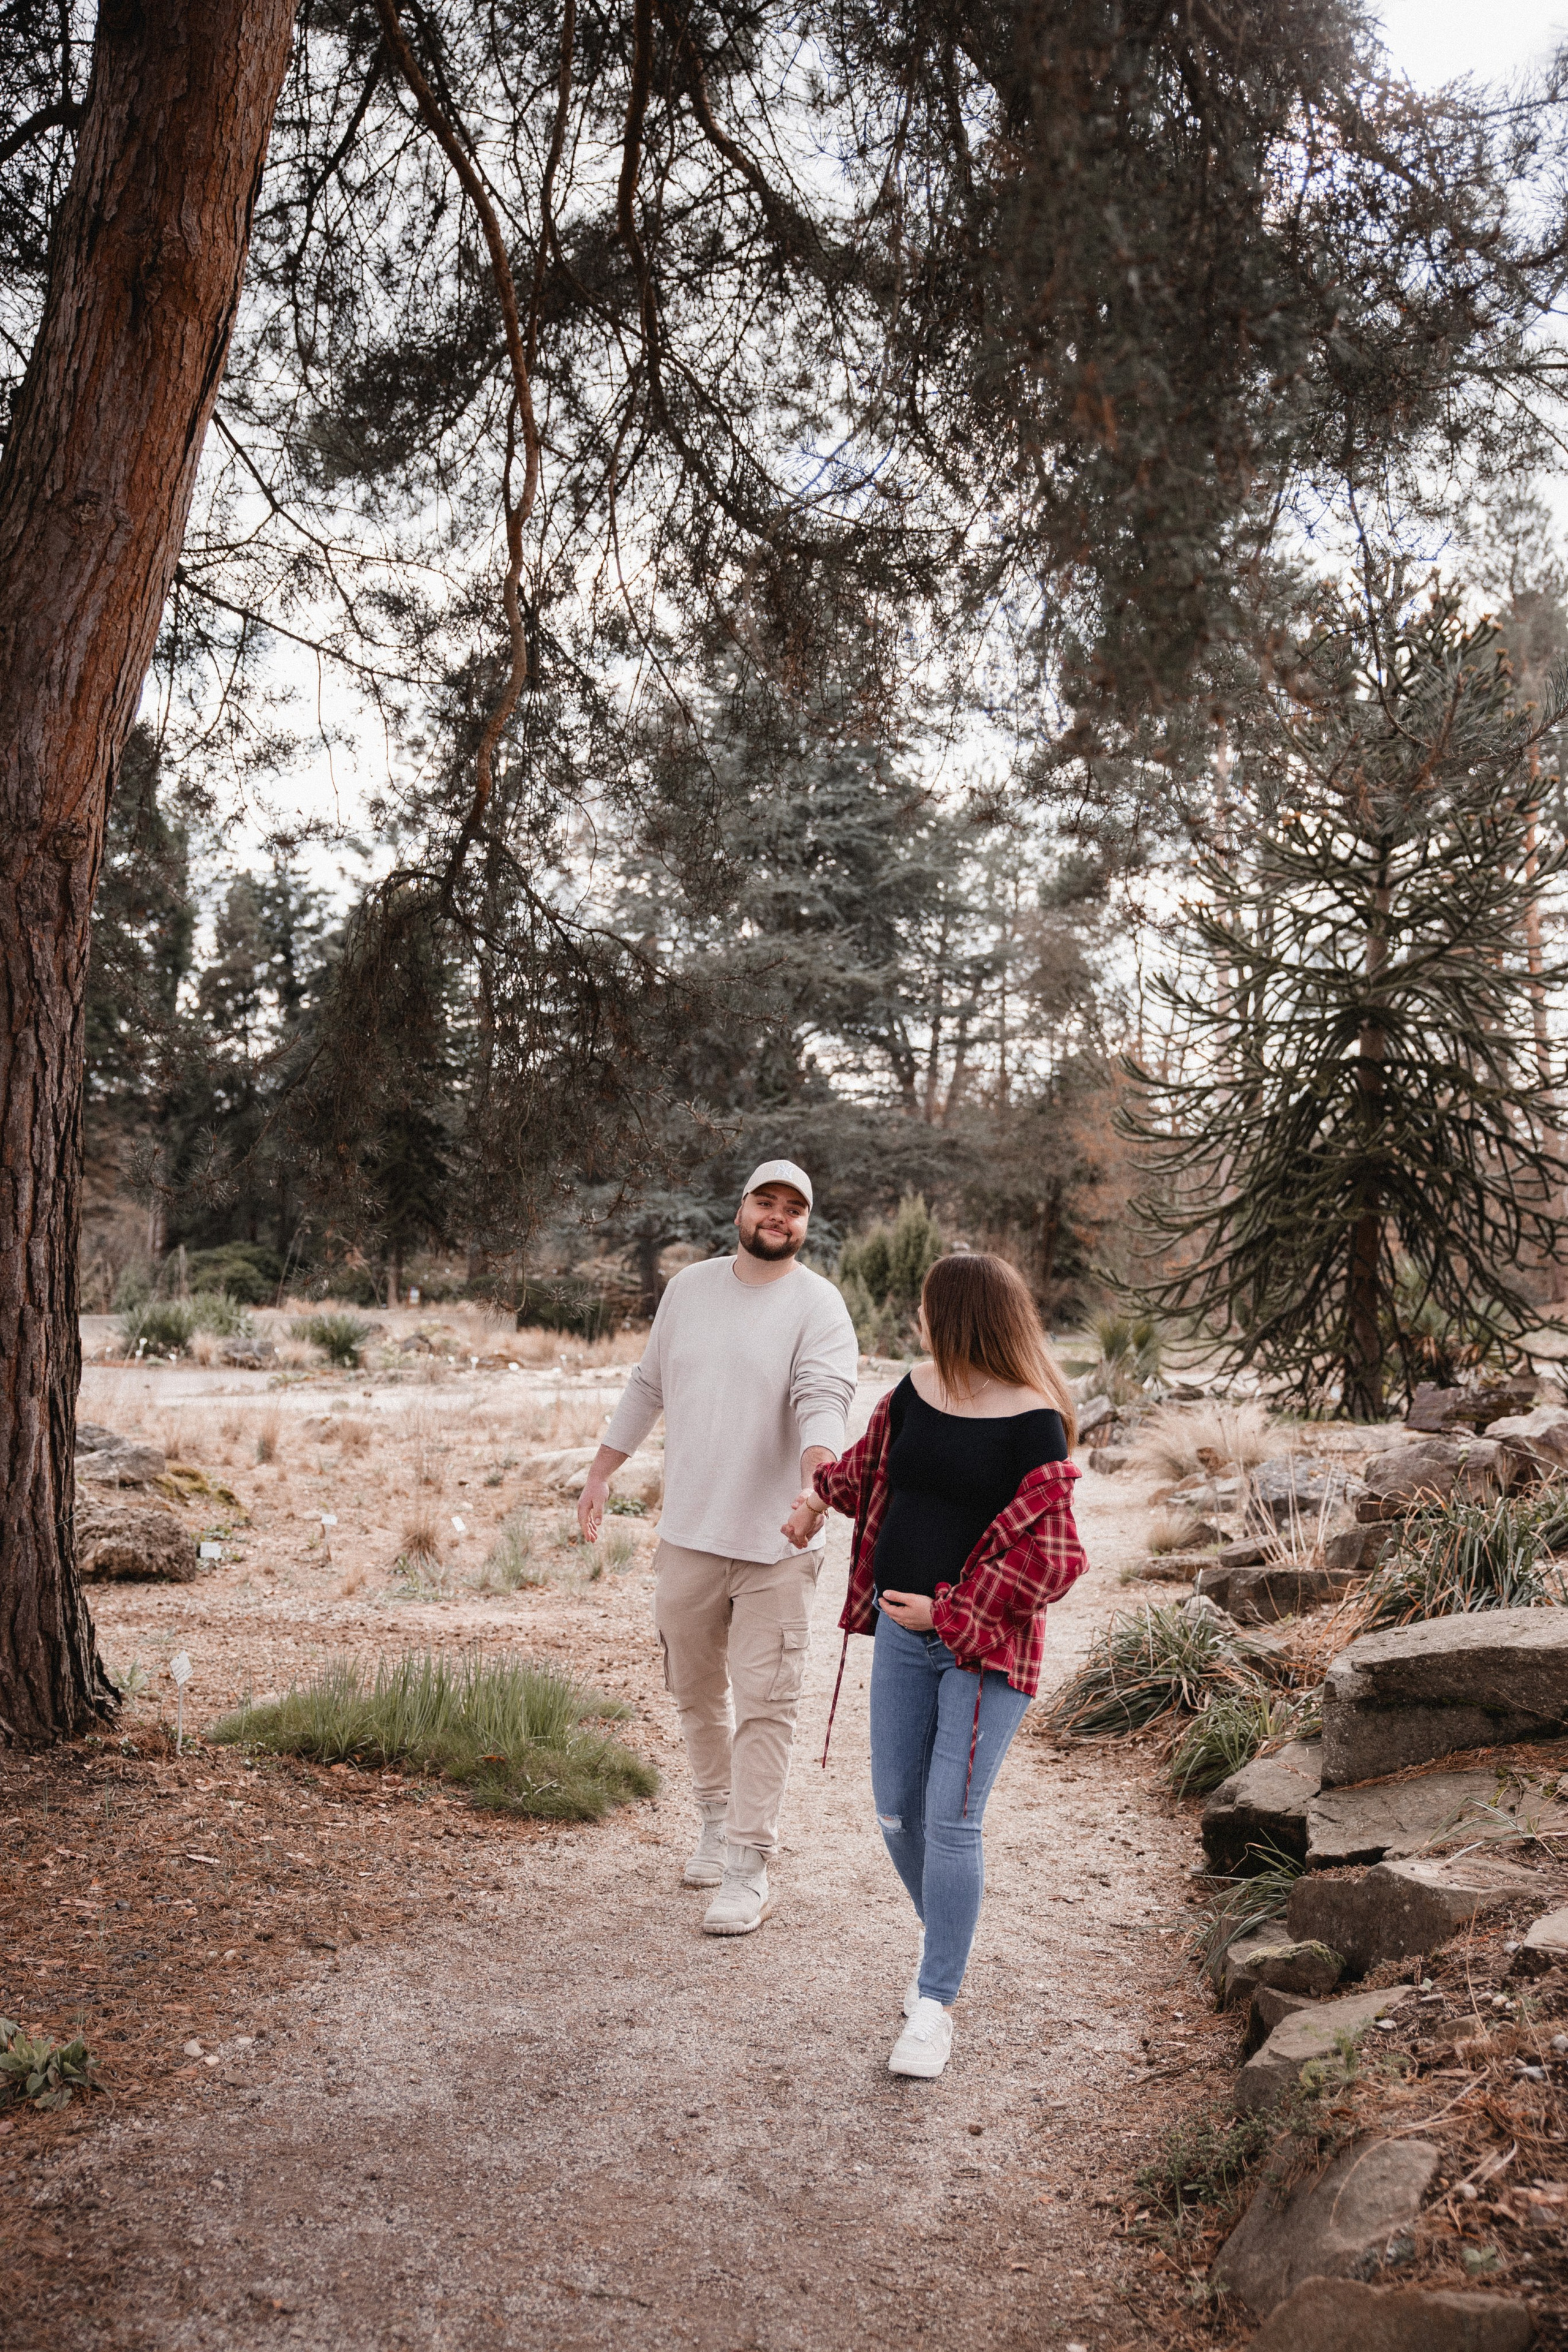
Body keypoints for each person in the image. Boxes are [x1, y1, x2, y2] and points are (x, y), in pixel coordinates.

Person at [783, 1252, 1087, 2078]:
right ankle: (944, 1947)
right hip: (901, 1644)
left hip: (985, 1652)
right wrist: (814, 1501)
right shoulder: (915, 1391)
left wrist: (952, 1614)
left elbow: (1055, 1560)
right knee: (894, 1811)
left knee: (952, 1823)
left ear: (956, 1314)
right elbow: (868, 1465)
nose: (919, 1320)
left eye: (928, 1307)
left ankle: (935, 2005)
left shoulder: (1036, 1421)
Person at [578, 1160, 858, 1936]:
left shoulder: (819, 1306)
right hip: (689, 1534)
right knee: (695, 1692)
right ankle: (713, 1819)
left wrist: (816, 1488)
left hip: (779, 1541)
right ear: (740, 1210)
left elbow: (822, 1401)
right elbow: (647, 1385)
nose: (779, 1217)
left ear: (806, 1223)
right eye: (766, 1202)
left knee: (767, 1704)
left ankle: (748, 1864)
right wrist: (602, 1472)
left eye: (794, 1208)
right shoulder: (690, 1290)